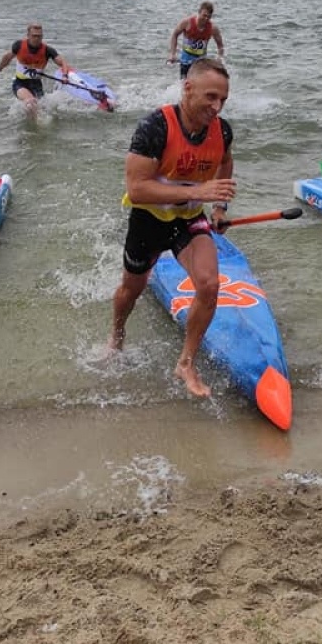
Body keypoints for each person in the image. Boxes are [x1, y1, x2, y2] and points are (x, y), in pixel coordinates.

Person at [109, 57, 236, 398]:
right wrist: (198, 191)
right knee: (130, 292)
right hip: (148, 220)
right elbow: (137, 189)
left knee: (209, 285)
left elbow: (225, 162)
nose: (217, 105)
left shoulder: (222, 131)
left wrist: (219, 207)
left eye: (223, 99)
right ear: (188, 88)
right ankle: (117, 337)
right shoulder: (155, 128)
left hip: (188, 219)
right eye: (210, 96)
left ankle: (185, 363)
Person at [0, 22, 71, 115]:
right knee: (31, 102)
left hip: (37, 85)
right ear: (28, 35)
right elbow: (7, 57)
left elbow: (63, 63)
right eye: (34, 36)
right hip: (20, 83)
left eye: (39, 36)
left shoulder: (48, 50)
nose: (37, 39)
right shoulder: (19, 45)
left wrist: (65, 76)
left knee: (43, 109)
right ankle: (37, 126)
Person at [168, 1, 224, 78]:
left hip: (201, 62)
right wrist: (172, 54)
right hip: (185, 61)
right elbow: (174, 35)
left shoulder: (213, 28)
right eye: (204, 15)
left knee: (200, 85)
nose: (206, 19)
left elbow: (220, 46)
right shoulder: (187, 22)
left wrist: (219, 58)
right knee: (185, 85)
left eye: (209, 17)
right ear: (199, 12)